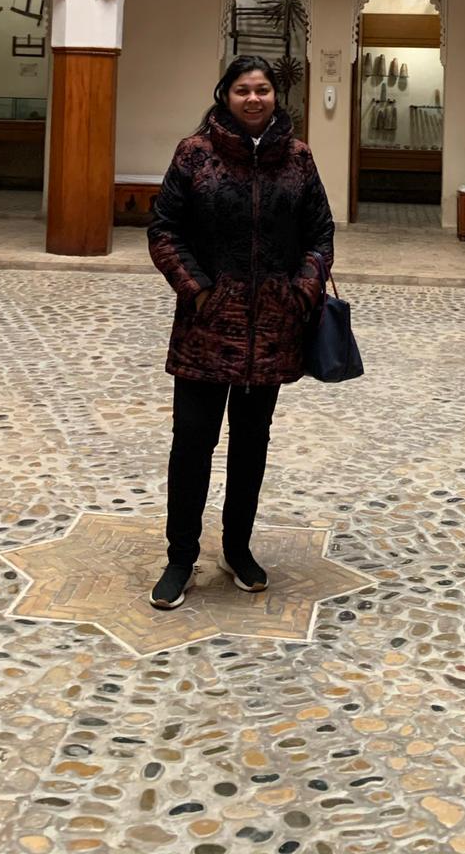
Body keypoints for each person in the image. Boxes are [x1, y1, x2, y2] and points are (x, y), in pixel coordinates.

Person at [146, 55, 335, 610]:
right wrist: (199, 290)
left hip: (272, 331)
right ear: (225, 96)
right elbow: (164, 229)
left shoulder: (298, 159)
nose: (254, 99)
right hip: (207, 328)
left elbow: (320, 234)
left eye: (263, 90)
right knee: (192, 442)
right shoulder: (194, 154)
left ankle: (237, 547)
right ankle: (181, 557)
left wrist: (301, 291)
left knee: (251, 443)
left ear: (276, 96)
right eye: (243, 90)